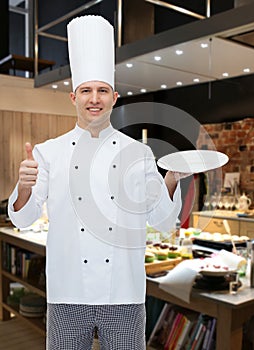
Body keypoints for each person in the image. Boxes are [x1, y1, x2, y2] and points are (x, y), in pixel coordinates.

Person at [8, 16, 189, 350]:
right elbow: (24, 217)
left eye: (102, 90)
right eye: (86, 90)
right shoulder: (49, 153)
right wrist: (23, 187)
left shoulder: (140, 154)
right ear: (73, 98)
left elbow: (163, 221)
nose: (95, 98)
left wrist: (172, 178)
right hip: (67, 292)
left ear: (115, 97)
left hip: (124, 293)